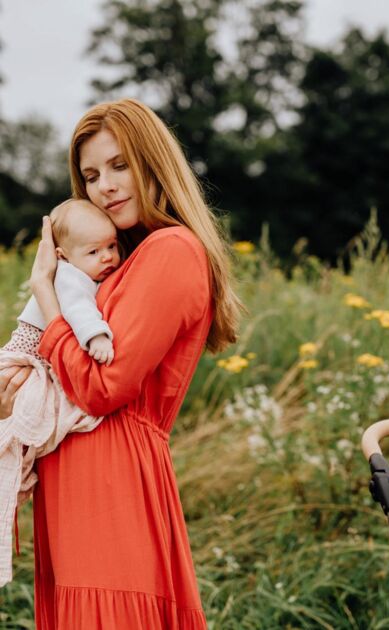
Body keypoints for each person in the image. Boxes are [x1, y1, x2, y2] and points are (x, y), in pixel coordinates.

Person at [0, 98, 241, 629]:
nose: (104, 186)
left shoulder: (173, 249)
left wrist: (45, 292)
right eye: (90, 175)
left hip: (112, 482)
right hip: (77, 484)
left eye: (119, 165)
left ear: (153, 162)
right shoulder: (115, 266)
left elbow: (102, 387)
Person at [7, 198, 121, 367]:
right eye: (93, 251)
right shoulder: (68, 275)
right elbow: (78, 306)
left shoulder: (85, 271)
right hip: (29, 348)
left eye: (111, 246)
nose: (107, 256)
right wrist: (96, 336)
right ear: (63, 256)